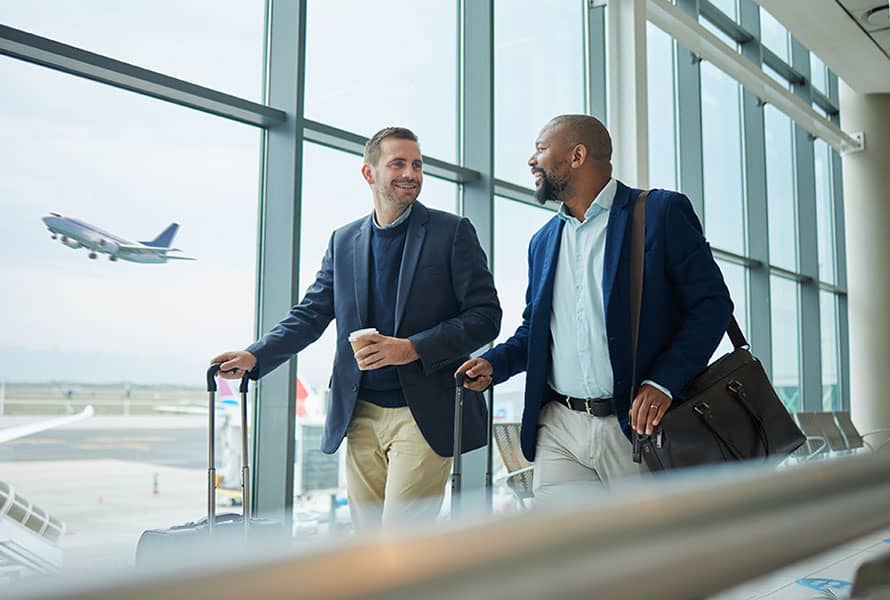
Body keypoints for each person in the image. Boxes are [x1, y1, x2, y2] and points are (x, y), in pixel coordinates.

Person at [212, 127, 501, 529]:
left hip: (423, 414)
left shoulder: (451, 232)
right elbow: (311, 313)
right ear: (369, 174)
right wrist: (256, 355)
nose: (411, 173)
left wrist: (412, 348)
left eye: (417, 164)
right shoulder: (344, 240)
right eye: (398, 163)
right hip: (359, 412)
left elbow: (486, 316)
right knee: (367, 546)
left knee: (402, 545)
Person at [457, 114, 732, 498]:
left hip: (636, 427)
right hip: (560, 427)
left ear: (577, 155)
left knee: (643, 553)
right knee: (567, 553)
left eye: (540, 149)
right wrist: (496, 364)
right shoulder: (543, 242)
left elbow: (711, 304)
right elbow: (535, 330)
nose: (531, 160)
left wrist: (664, 381)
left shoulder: (660, 213)